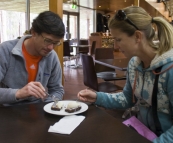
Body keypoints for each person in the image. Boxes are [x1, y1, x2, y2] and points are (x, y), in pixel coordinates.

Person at [78, 6, 173, 143]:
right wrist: (98, 97)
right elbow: (127, 99)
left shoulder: (170, 69)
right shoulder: (134, 64)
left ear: (137, 36)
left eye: (118, 39)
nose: (115, 45)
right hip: (142, 133)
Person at [0, 11, 65, 106]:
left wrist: (49, 108)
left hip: (38, 110)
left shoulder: (52, 56)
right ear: (34, 33)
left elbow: (57, 90)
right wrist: (18, 93)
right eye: (48, 41)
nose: (51, 47)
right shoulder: (5, 50)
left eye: (55, 43)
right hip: (8, 111)